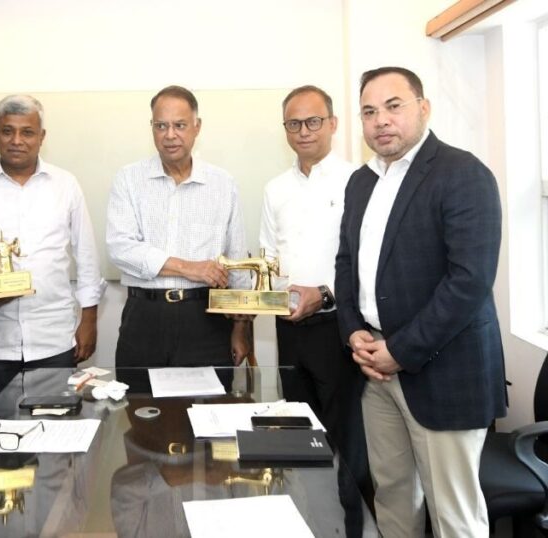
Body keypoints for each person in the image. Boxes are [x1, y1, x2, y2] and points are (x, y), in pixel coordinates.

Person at [335, 66, 506, 537]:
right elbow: (347, 263)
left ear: (423, 108)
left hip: (442, 371)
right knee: (392, 498)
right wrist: (353, 330)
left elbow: (469, 282)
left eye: (394, 106)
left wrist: (400, 350)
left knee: (453, 515)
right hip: (374, 368)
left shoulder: (463, 174)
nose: (381, 121)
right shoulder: (361, 182)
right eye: (369, 111)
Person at [0, 94, 106, 415]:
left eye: (27, 132)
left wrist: (89, 321)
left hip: (53, 338)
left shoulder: (65, 185)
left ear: (42, 136)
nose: (17, 140)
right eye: (7, 131)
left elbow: (86, 257)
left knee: (54, 431)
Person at [259, 86, 368, 485]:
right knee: (298, 433)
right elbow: (269, 255)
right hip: (288, 329)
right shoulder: (275, 189)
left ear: (333, 124)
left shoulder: (358, 181)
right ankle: (307, 510)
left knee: (347, 438)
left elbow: (366, 259)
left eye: (313, 121)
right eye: (294, 123)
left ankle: (352, 516)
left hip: (338, 327)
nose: (303, 131)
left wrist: (323, 294)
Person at [106, 85, 251, 369]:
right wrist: (189, 268)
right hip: (144, 318)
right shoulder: (128, 179)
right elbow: (120, 248)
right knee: (139, 397)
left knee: (208, 397)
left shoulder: (223, 184)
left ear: (197, 127)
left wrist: (240, 327)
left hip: (207, 319)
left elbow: (238, 264)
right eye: (161, 126)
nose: (170, 135)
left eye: (179, 125)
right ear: (152, 128)